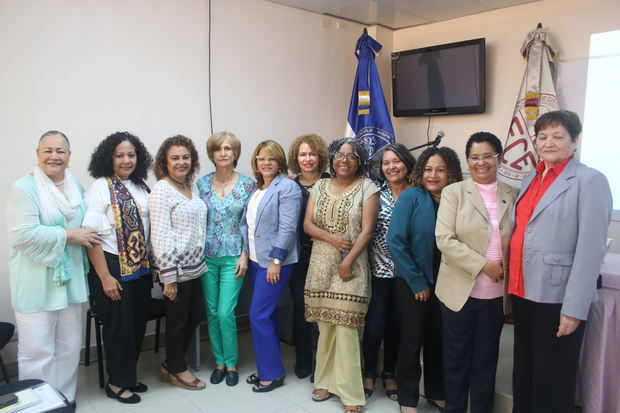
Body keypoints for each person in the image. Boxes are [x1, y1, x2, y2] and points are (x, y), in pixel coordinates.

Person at [508, 110, 612, 413]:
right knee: (524, 373)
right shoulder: (532, 178)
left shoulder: (590, 180)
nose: (548, 142)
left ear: (575, 140)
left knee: (552, 381)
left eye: (558, 136)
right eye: (542, 136)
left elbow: (591, 250)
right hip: (524, 292)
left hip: (557, 298)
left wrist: (574, 308)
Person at [7, 131, 100, 406]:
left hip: (70, 282)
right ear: (37, 154)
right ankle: (39, 406)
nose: (54, 156)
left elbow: (89, 224)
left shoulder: (74, 186)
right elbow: (23, 236)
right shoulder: (24, 188)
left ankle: (63, 401)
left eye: (60, 151)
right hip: (36, 283)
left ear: (69, 157)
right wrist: (71, 235)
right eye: (47, 150)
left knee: (69, 349)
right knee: (37, 352)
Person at [435, 132, 518, 413]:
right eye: (474, 157)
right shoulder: (454, 192)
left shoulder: (513, 193)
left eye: (487, 156)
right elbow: (444, 240)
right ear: (467, 161)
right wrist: (484, 265)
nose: (481, 162)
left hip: (496, 296)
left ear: (499, 158)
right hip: (460, 292)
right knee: (456, 359)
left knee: (486, 360)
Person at [304, 137, 379, 413]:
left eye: (351, 155)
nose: (344, 160)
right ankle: (324, 381)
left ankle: (351, 393)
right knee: (325, 328)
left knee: (347, 330)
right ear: (332, 159)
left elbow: (367, 231)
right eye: (339, 155)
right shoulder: (320, 185)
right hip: (320, 265)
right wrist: (333, 239)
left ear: (359, 161)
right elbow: (308, 224)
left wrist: (347, 261)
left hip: (352, 267)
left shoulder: (367, 187)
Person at [387, 146, 463, 413]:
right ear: (420, 171)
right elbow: (394, 242)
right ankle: (408, 398)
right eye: (429, 169)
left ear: (451, 173)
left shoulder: (458, 198)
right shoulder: (411, 197)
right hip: (414, 283)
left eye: (441, 169)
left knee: (438, 339)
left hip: (449, 284)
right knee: (412, 339)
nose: (434, 175)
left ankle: (436, 391)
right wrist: (417, 281)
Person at [82, 132, 153, 404]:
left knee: (136, 324)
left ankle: (128, 376)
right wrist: (104, 277)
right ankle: (116, 383)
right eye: (120, 155)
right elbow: (91, 236)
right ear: (109, 158)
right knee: (118, 327)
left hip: (140, 268)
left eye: (131, 154)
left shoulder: (141, 186)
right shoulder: (101, 186)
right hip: (111, 266)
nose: (126, 160)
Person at [240, 140, 302, 393]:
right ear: (255, 162)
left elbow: (288, 228)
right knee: (268, 315)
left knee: (258, 315)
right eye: (261, 158)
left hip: (275, 263)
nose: (265, 163)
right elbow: (248, 225)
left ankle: (273, 374)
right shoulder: (257, 188)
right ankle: (267, 366)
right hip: (257, 261)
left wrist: (276, 260)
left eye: (271, 159)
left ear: (280, 163)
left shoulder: (287, 188)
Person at [149, 135, 207, 390]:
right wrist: (169, 277)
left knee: (195, 315)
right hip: (177, 270)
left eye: (186, 157)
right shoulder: (162, 189)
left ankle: (169, 364)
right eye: (175, 158)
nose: (181, 162)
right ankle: (177, 369)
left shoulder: (190, 187)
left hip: (197, 267)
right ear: (165, 162)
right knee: (177, 322)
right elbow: (160, 234)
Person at [196, 131, 254, 386]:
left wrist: (245, 254)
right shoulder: (200, 184)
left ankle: (231, 364)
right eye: (218, 149)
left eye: (228, 149)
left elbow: (252, 224)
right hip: (206, 257)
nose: (223, 153)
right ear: (211, 154)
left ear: (235, 154)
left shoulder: (248, 185)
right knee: (210, 311)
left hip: (234, 257)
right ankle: (218, 362)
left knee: (224, 312)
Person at [362, 143, 416, 401]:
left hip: (408, 273)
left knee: (398, 326)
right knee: (375, 325)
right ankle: (369, 370)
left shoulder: (418, 194)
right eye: (386, 163)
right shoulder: (375, 194)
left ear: (406, 163)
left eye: (396, 161)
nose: (391, 167)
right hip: (380, 271)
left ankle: (389, 372)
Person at [286, 133, 330, 380]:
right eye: (303, 154)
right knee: (302, 309)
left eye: (312, 153)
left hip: (326, 256)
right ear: (296, 157)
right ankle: (304, 360)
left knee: (323, 311)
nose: (308, 158)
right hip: (298, 257)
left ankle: (324, 364)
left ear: (320, 156)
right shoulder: (289, 186)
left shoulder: (332, 183)